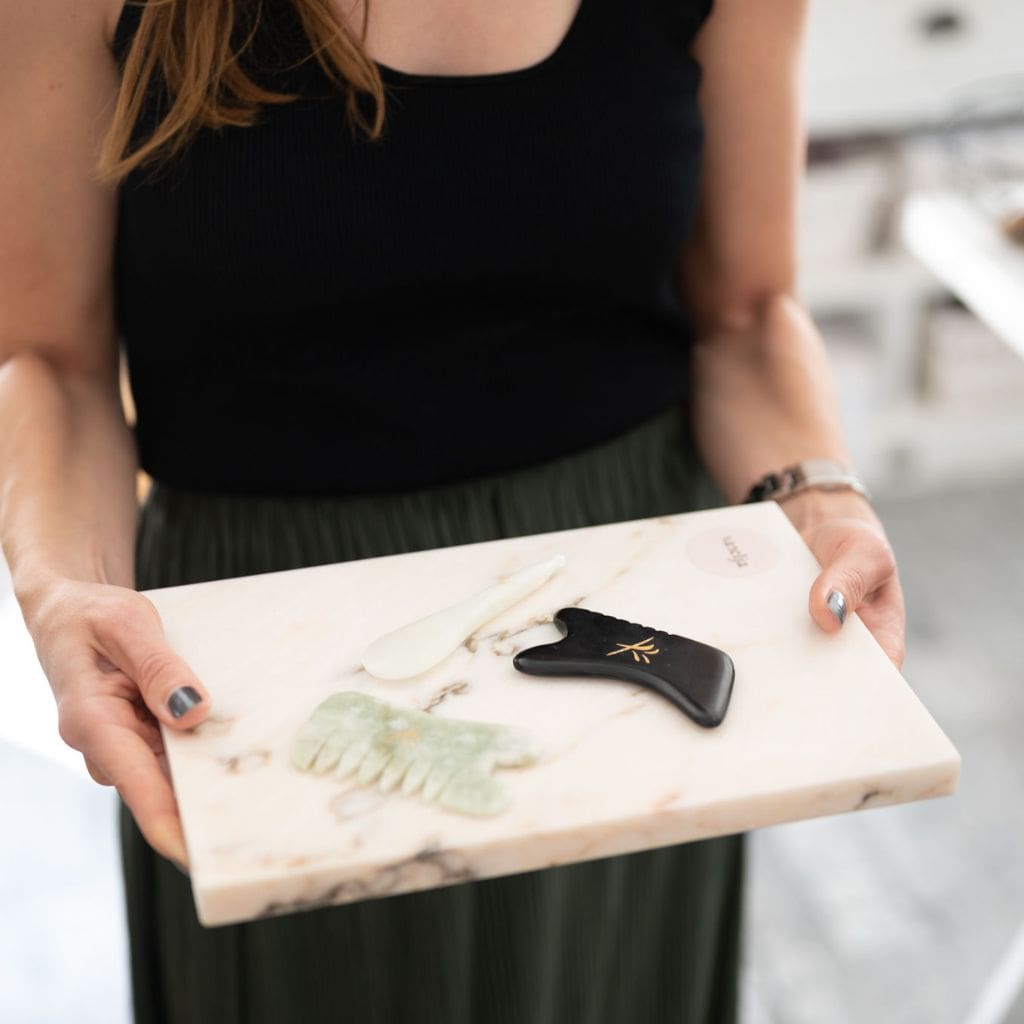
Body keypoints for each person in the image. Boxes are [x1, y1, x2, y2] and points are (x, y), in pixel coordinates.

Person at [0, 0, 907, 1020]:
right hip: (262, 649)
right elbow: (54, 361)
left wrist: (816, 493)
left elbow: (744, 312)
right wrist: (63, 590)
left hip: (628, 627)